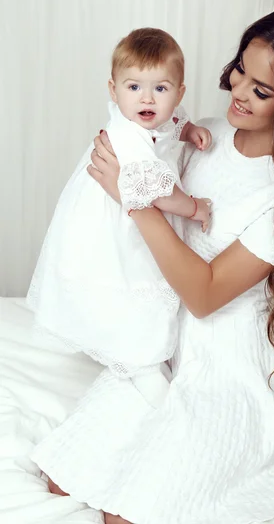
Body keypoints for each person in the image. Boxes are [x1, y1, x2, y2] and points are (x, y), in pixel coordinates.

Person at [31, 6, 274, 524]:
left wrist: (132, 197)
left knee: (131, 514)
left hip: (225, 353)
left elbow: (206, 293)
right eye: (241, 70)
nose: (238, 91)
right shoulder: (205, 134)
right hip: (164, 333)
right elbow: (138, 149)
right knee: (64, 477)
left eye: (262, 91)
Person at [27, 27, 212, 405]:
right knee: (132, 283)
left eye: (160, 89)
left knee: (147, 281)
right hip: (114, 223)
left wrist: (189, 130)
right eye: (134, 88)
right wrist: (194, 206)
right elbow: (158, 193)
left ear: (179, 93)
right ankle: (141, 364)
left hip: (129, 212)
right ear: (113, 91)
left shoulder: (161, 119)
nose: (147, 98)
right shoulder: (127, 136)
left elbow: (173, 124)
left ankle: (148, 353)